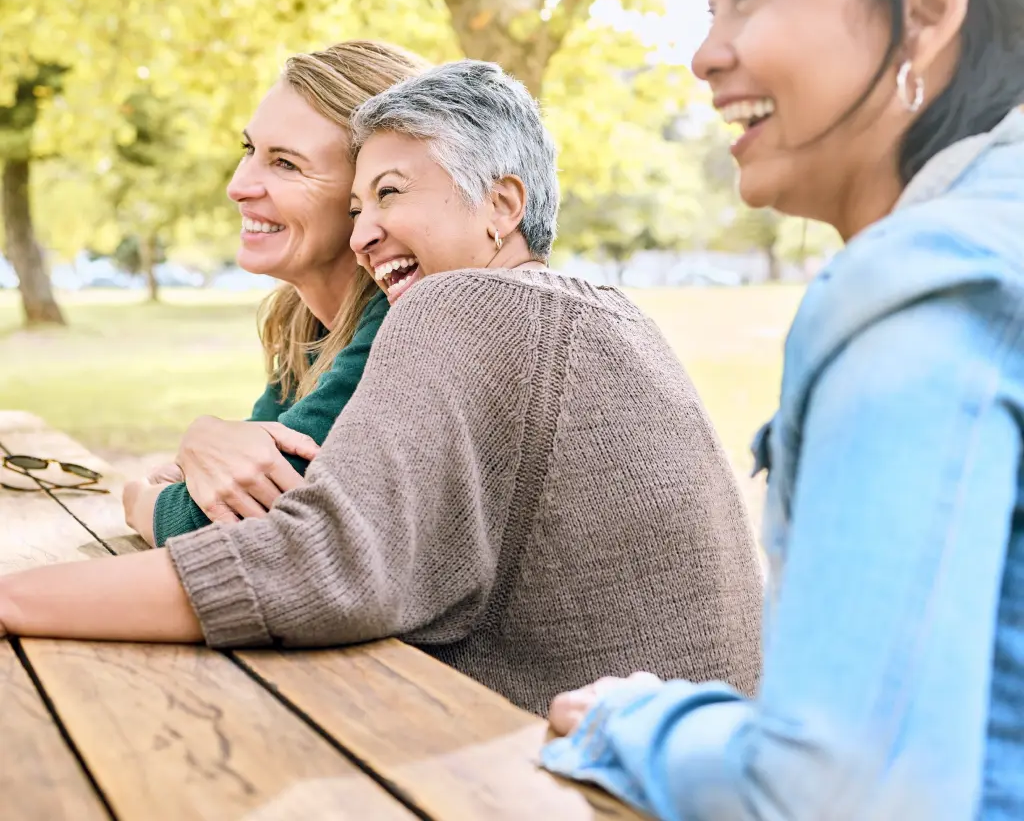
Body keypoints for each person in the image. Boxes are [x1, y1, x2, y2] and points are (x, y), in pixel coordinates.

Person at [0, 59, 763, 717]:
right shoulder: (605, 315)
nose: (363, 234)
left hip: (586, 780)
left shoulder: (461, 304)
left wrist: (16, 598)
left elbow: (317, 564)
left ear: (503, 206)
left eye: (391, 194)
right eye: (357, 207)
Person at [541, 0, 1024, 820]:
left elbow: (844, 788)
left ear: (926, 8)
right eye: (708, 6)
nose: (703, 55)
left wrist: (635, 723)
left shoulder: (923, 291)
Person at [122, 39, 428, 546]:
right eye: (250, 151)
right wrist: (205, 441)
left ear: (371, 191)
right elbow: (237, 473)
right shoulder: (303, 321)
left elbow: (232, 525)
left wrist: (140, 501)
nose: (238, 186)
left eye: (286, 163)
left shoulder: (404, 323)